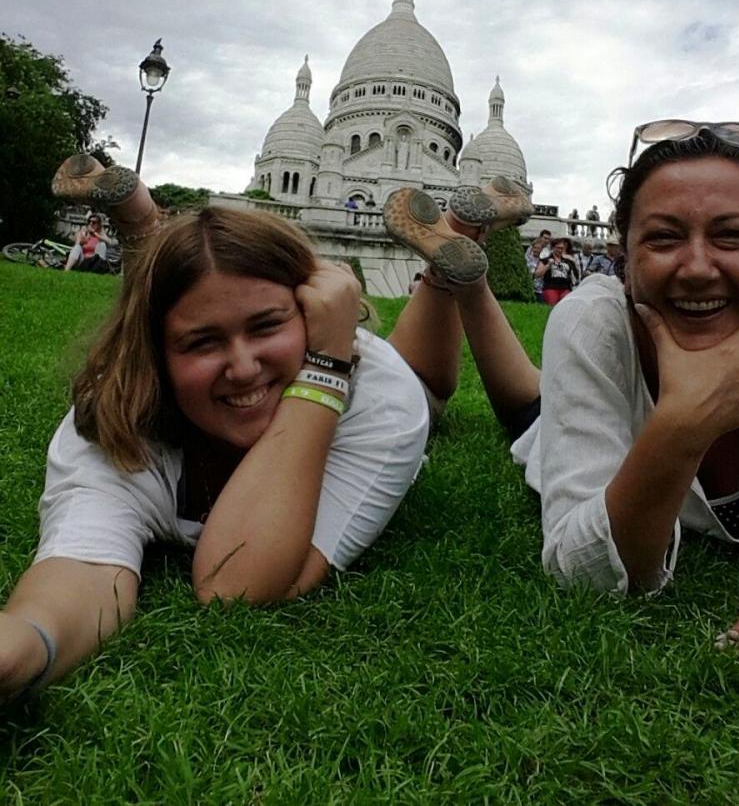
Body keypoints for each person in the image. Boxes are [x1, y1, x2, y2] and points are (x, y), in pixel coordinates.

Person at [0, 154, 432, 703]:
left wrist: (326, 368)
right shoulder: (119, 411)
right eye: (201, 342)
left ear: (314, 315)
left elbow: (236, 584)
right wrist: (20, 647)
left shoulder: (383, 400)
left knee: (431, 389)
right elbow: (82, 571)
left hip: (397, 391)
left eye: (268, 325)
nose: (244, 366)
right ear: (154, 355)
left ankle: (446, 273)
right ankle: (146, 225)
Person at [515, 120, 739, 660]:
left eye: (731, 235)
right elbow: (584, 572)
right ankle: (461, 283)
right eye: (665, 238)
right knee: (522, 407)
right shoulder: (588, 325)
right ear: (623, 258)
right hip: (551, 431)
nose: (695, 268)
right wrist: (680, 428)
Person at [535, 238, 574, 306]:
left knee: (567, 306)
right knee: (552, 306)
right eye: (558, 248)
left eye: (562, 248)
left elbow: (573, 275)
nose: (560, 250)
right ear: (553, 248)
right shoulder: (545, 260)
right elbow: (537, 274)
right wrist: (548, 266)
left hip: (565, 288)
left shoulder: (568, 261)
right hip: (550, 287)